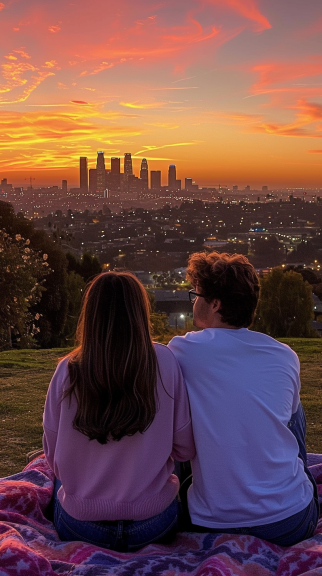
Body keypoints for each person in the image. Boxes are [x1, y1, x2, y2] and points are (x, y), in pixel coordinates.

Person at [168, 251, 319, 546]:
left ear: (215, 303)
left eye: (195, 294)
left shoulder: (181, 352)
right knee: (292, 411)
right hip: (289, 521)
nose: (194, 301)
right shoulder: (283, 355)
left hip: (209, 524)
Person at [43, 271, 195, 552]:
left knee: (53, 481)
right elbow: (185, 449)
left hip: (81, 526)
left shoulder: (67, 370)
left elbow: (54, 460)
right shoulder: (164, 361)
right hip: (153, 525)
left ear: (92, 315)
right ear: (139, 312)